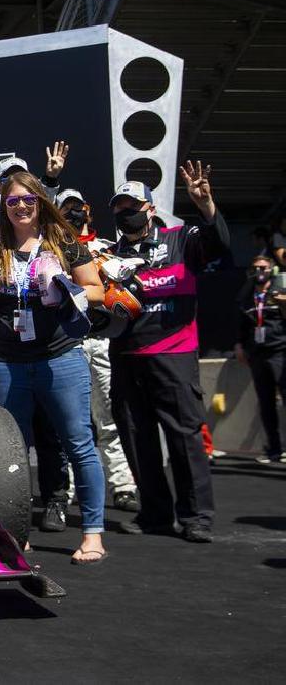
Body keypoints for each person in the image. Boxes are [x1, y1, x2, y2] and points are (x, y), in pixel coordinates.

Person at [0, 170, 107, 564]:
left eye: (28, 200)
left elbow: (97, 291)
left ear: (40, 202)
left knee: (78, 443)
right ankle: (17, 532)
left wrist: (63, 285)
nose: (21, 208)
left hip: (59, 357)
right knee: (12, 451)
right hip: (9, 362)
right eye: (13, 202)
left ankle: (93, 533)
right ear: (4, 207)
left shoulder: (62, 242)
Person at [106, 166, 228, 543]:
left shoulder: (181, 239)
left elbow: (219, 245)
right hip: (127, 357)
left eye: (132, 206)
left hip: (174, 354)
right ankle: (155, 514)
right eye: (120, 208)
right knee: (137, 438)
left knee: (184, 437)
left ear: (149, 208)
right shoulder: (109, 255)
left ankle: (196, 517)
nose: (126, 213)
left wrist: (206, 206)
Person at [55, 188, 140, 512]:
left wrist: (109, 273)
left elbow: (128, 292)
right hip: (69, 341)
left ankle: (123, 484)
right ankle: (74, 487)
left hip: (102, 341)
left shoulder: (107, 249)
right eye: (67, 210)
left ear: (88, 211)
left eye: (78, 208)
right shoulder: (53, 250)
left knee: (108, 416)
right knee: (71, 420)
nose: (74, 215)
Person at [236, 254, 286, 464]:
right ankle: (273, 449)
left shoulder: (280, 293)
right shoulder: (247, 298)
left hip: (280, 352)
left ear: (272, 271)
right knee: (266, 404)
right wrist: (238, 345)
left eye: (264, 268)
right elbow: (242, 325)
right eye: (256, 268)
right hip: (257, 355)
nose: (260, 272)